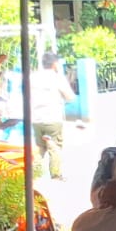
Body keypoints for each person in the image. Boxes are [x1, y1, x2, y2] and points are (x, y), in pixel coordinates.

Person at [29, 51, 76, 179]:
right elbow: (70, 97)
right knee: (54, 146)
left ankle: (34, 174)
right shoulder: (57, 78)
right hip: (53, 118)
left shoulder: (33, 77)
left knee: (39, 147)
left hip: (36, 119)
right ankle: (55, 174)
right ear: (55, 64)